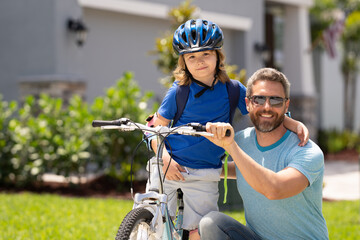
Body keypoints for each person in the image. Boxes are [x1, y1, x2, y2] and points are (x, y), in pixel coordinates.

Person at [148, 19, 309, 240]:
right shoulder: (178, 91)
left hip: (204, 172)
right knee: (153, 221)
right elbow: (155, 128)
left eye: (206, 54)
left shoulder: (232, 90)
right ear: (183, 62)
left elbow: (261, 112)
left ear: (217, 56)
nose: (199, 61)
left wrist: (293, 123)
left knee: (198, 231)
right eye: (191, 57)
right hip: (168, 164)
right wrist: (165, 157)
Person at [200, 68, 329, 240]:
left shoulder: (306, 151)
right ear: (247, 103)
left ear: (286, 105)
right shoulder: (242, 140)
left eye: (276, 100)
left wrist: (231, 148)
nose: (267, 107)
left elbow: (274, 189)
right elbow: (241, 168)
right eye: (259, 99)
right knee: (211, 223)